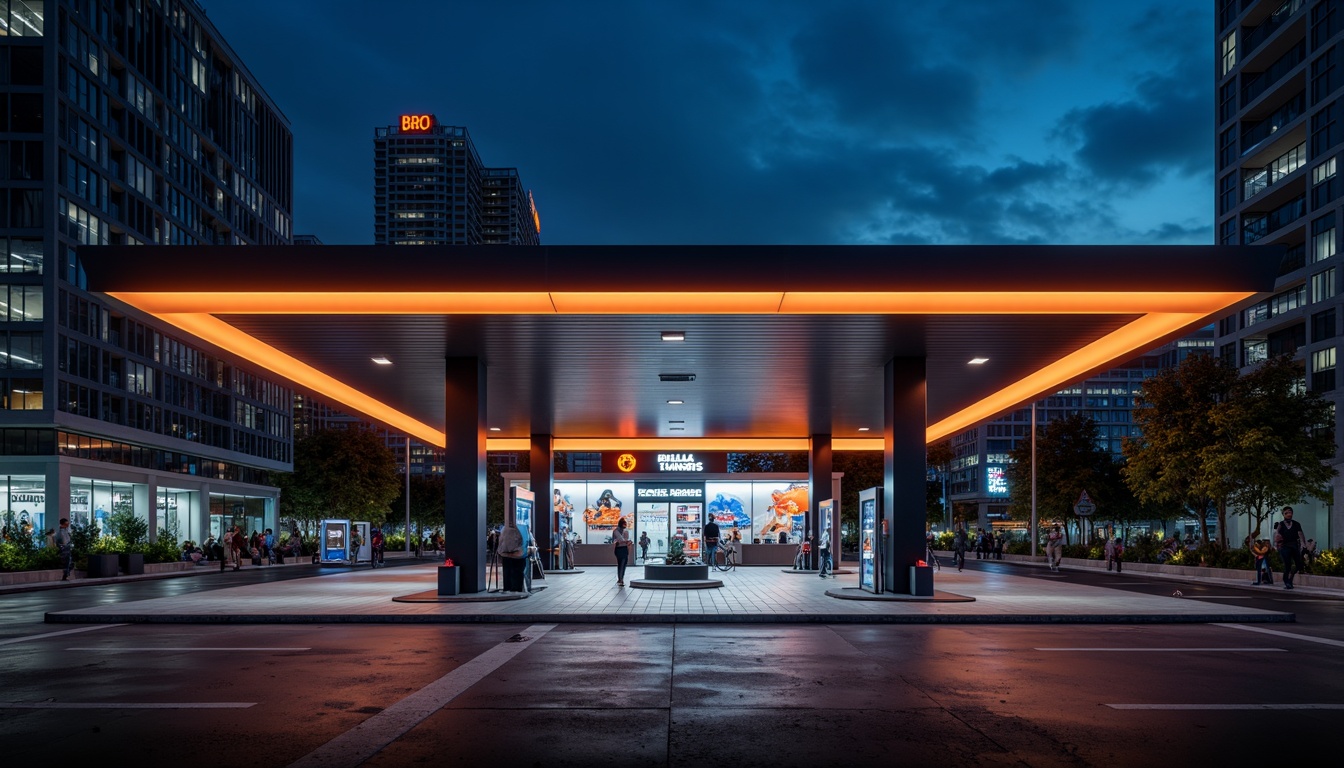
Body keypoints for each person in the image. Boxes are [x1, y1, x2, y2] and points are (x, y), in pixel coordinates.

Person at [1274, 506, 1307, 590]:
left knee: (1298, 564)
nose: (1289, 514)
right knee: (1287, 565)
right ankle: (1287, 582)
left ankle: (1290, 579)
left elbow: (1300, 534)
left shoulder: (1296, 524)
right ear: (1283, 514)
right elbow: (1277, 534)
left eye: (1290, 512)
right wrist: (1277, 545)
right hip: (1285, 546)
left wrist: (1304, 544)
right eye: (1287, 513)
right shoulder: (1280, 524)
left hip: (1294, 545)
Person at [497, 521, 526, 591]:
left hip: (506, 554)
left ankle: (508, 588)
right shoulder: (521, 528)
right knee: (517, 572)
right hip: (518, 554)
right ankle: (516, 588)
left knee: (508, 572)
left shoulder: (504, 529)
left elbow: (500, 542)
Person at [612, 517, 633, 586]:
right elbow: (615, 541)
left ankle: (620, 578)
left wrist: (628, 542)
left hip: (624, 548)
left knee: (622, 564)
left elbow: (626, 540)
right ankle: (620, 579)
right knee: (621, 564)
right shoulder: (616, 531)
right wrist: (622, 542)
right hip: (620, 549)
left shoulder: (625, 531)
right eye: (624, 524)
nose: (625, 525)